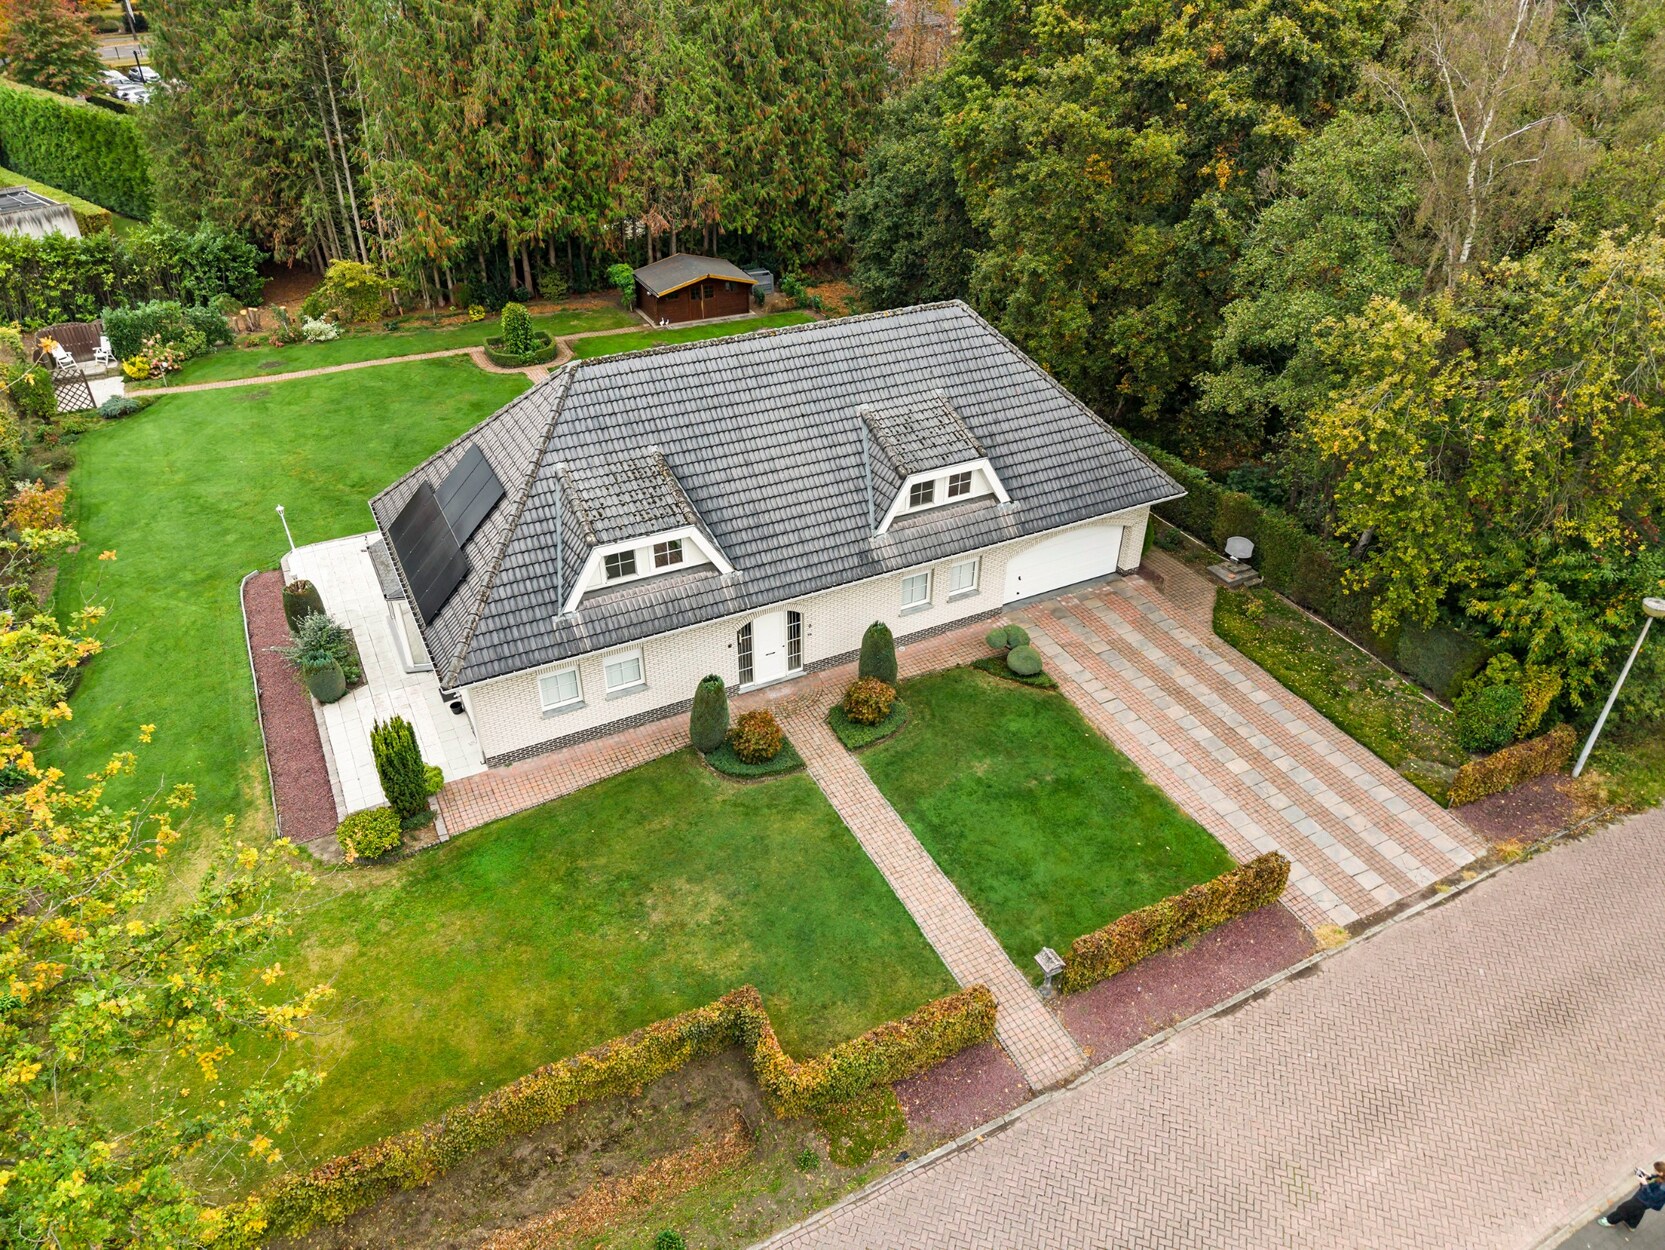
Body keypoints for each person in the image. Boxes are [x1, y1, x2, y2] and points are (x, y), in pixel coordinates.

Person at [1598, 1162, 1665, 1229]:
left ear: (1661, 1173)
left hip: (1643, 1201)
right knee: (1638, 1211)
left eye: (1656, 1170)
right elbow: (1656, 1177)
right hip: (1644, 1200)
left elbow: (1652, 1197)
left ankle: (1610, 1221)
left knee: (1624, 1208)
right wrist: (1647, 1174)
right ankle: (1632, 1224)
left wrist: (1644, 1183)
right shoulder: (1662, 1176)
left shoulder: (1663, 1188)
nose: (1654, 1171)